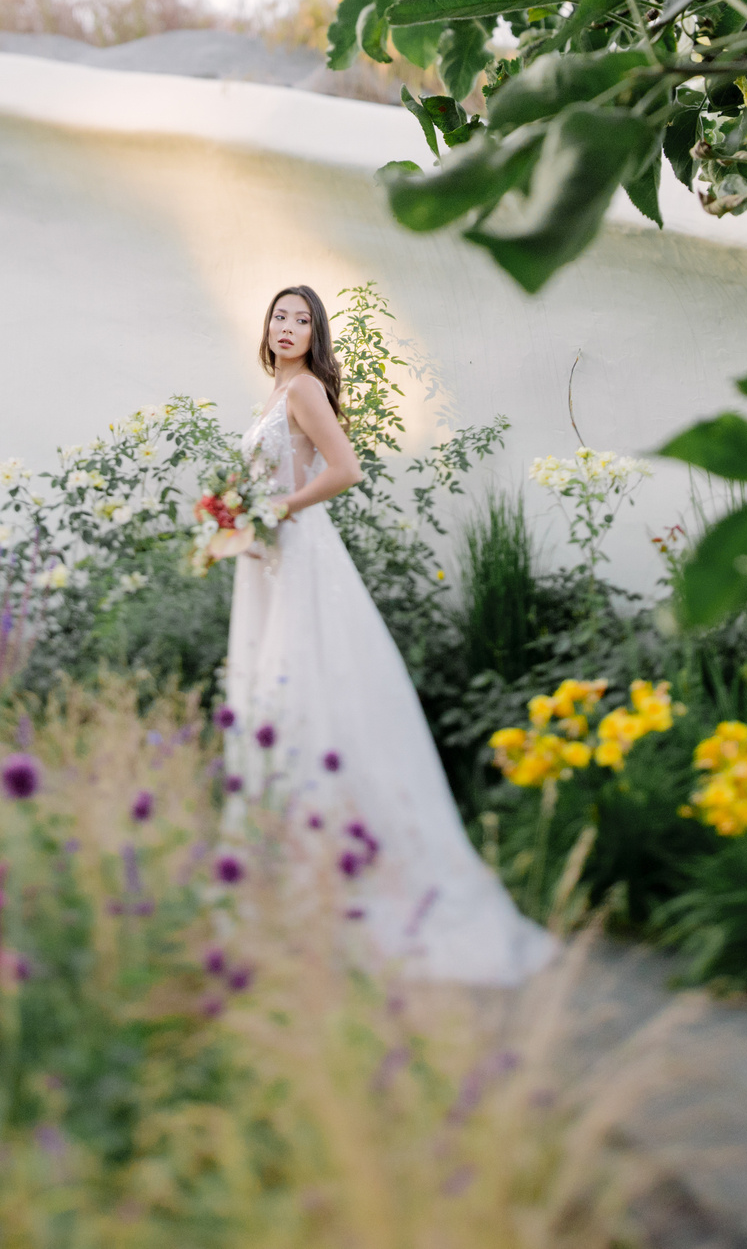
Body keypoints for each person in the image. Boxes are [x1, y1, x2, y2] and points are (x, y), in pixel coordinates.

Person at [221, 284, 556, 986]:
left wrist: (276, 507)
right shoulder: (273, 393)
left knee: (302, 700)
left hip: (304, 556)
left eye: (301, 319)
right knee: (277, 702)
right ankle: (291, 867)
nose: (287, 326)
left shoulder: (305, 389)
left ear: (316, 335)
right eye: (279, 315)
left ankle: (326, 874)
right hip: (271, 561)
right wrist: (234, 518)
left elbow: (345, 470)